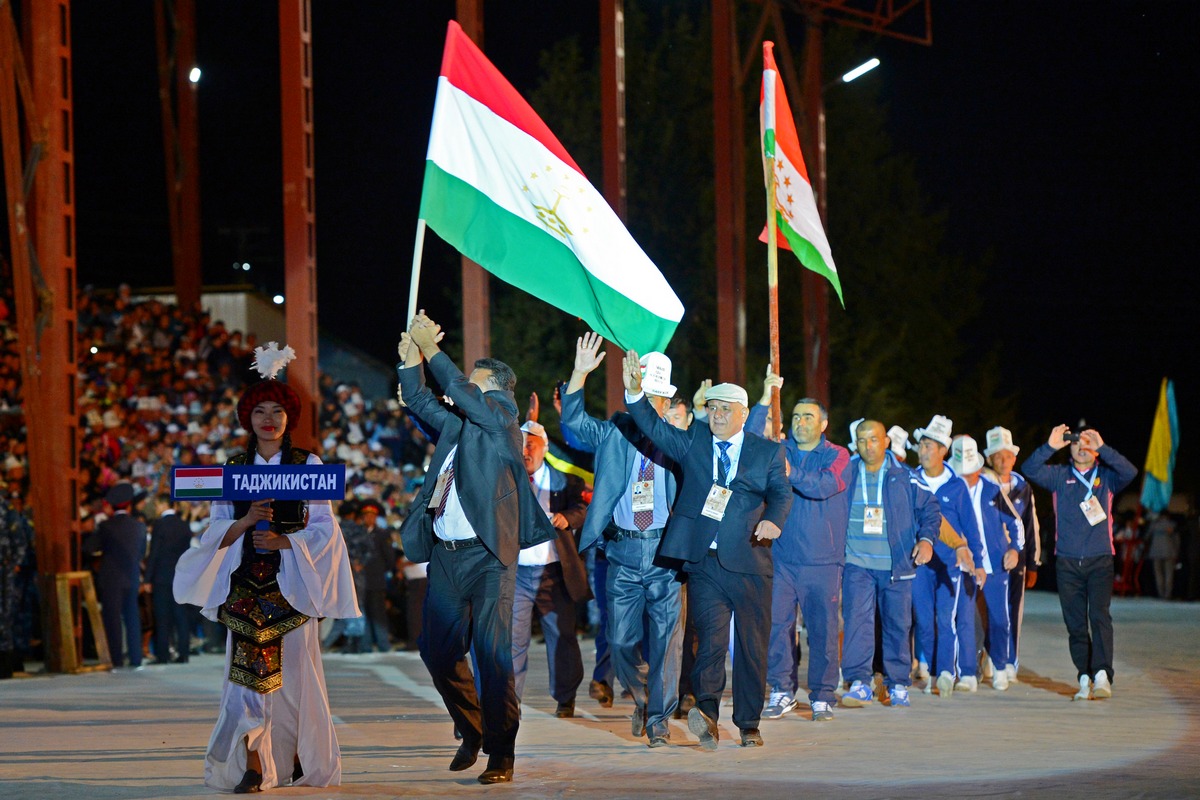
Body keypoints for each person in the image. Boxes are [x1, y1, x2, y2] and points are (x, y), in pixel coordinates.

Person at [174, 344, 359, 793]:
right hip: (243, 590)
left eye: (277, 409)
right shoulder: (232, 469)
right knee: (245, 681)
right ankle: (254, 764)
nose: (268, 418)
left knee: (294, 682)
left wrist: (284, 541)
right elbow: (215, 527)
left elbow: (324, 528)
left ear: (289, 417)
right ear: (248, 418)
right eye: (260, 410)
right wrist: (245, 522)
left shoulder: (307, 464)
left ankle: (294, 757)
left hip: (291, 589)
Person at [396, 312, 557, 785]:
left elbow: (469, 397)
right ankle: (474, 728)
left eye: (474, 384)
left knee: (492, 655)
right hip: (446, 555)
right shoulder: (459, 425)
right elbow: (420, 398)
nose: (462, 390)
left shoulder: (503, 418)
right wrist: (411, 361)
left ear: (498, 391)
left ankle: (501, 754)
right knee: (437, 651)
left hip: (490, 555)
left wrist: (434, 351)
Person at [621, 350, 792, 750]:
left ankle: (748, 723)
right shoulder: (695, 441)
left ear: (743, 413)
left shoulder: (766, 451)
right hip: (705, 563)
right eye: (712, 407)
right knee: (710, 645)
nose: (716, 414)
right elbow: (653, 428)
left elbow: (781, 493)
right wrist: (634, 393)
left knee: (751, 647)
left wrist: (775, 521)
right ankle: (708, 716)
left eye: (725, 408)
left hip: (750, 561)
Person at [560, 334, 685, 747]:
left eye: (655, 398)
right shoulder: (614, 433)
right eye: (641, 395)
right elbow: (574, 425)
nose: (649, 405)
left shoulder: (681, 441)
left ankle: (659, 721)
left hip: (666, 554)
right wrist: (579, 373)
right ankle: (645, 698)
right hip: (622, 552)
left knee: (667, 641)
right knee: (619, 641)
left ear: (666, 402)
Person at [744, 369, 851, 723]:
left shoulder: (837, 456)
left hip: (823, 561)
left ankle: (822, 696)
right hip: (782, 557)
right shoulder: (779, 450)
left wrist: (790, 472)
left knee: (821, 631)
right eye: (796, 416)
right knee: (777, 627)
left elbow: (824, 486)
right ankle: (781, 690)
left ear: (823, 424)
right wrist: (764, 397)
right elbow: (747, 438)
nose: (801, 422)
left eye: (809, 417)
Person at [1022, 424, 1137, 701]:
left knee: (1099, 616)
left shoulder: (1107, 477)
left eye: (1088, 443)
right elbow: (1029, 469)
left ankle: (1102, 674)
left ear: (1095, 450)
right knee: (1075, 624)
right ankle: (1084, 676)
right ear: (1069, 449)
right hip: (1068, 562)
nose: (1082, 447)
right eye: (1076, 443)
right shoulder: (1060, 477)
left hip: (1100, 560)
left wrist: (1104, 448)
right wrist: (1050, 446)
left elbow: (1130, 472)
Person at [838, 421, 938, 710]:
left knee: (897, 624)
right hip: (856, 563)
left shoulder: (904, 475)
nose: (868, 445)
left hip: (896, 565)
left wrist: (927, 540)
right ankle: (859, 682)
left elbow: (930, 507)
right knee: (857, 622)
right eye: (861, 440)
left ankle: (898, 684)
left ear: (886, 442)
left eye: (874, 439)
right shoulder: (846, 471)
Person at [511, 420, 589, 716]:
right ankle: (510, 701)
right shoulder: (509, 480)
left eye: (531, 444)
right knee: (513, 641)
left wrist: (566, 518)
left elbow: (582, 510)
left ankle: (565, 698)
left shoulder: (564, 481)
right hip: (516, 573)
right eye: (520, 444)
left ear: (544, 448)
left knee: (562, 636)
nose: (525, 450)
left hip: (553, 572)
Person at [950, 436, 1023, 692]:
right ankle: (968, 672)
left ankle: (1001, 665)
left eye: (970, 472)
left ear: (979, 469)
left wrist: (1014, 549)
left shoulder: (993, 492)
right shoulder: (951, 490)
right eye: (962, 472)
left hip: (995, 565)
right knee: (965, 620)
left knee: (1000, 618)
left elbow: (1016, 523)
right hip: (965, 565)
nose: (966, 477)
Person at [982, 426, 1040, 681]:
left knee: (1012, 612)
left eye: (1007, 455)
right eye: (997, 456)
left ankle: (1009, 662)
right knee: (986, 611)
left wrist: (1033, 563)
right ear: (989, 459)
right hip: (987, 560)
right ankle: (986, 656)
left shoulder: (1023, 487)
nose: (1003, 461)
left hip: (1016, 562)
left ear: (1014, 458)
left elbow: (1031, 525)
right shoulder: (981, 484)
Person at [90, 482, 148, 669]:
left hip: (110, 578)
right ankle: (136, 658)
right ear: (129, 505)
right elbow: (141, 553)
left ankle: (116, 659)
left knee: (112, 619)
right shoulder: (139, 527)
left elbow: (90, 547)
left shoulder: (106, 526)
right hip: (131, 577)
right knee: (132, 617)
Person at [144, 502, 194, 664]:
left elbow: (154, 553)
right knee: (181, 616)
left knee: (162, 616)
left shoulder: (159, 525)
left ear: (163, 505)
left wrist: (147, 578)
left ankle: (163, 654)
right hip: (181, 576)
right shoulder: (184, 525)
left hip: (162, 577)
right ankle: (184, 653)